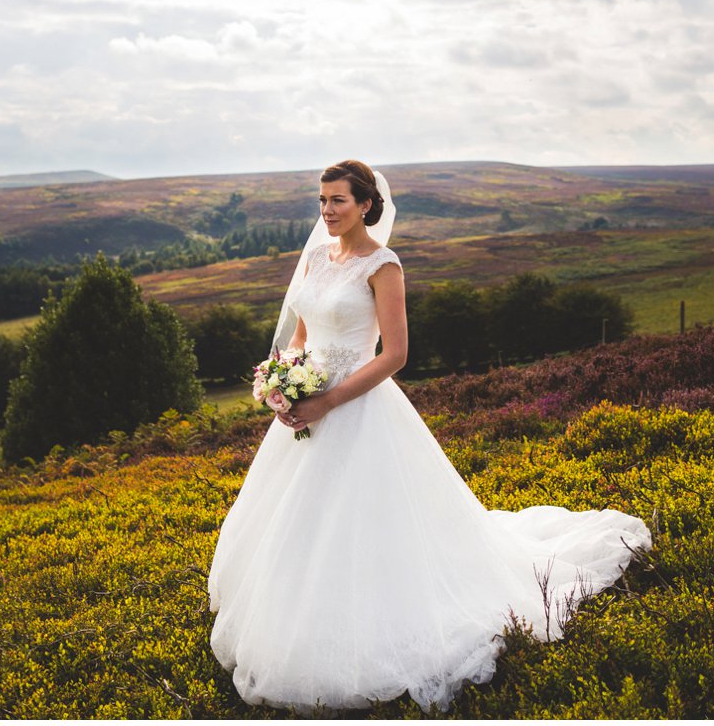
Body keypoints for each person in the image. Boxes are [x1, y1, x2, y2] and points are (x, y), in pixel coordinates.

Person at [206, 160, 651, 713]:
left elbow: (395, 354)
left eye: (338, 201)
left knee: (368, 517)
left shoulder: (383, 266)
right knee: (295, 516)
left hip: (356, 404)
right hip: (306, 404)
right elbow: (299, 334)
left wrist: (326, 400)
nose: (326, 211)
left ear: (366, 204)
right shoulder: (317, 257)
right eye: (321, 201)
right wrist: (283, 384)